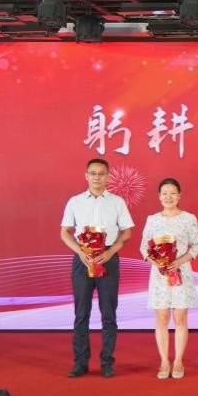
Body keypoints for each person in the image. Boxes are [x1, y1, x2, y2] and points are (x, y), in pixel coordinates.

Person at [59, 158, 134, 378]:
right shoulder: (75, 202)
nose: (97, 177)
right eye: (93, 173)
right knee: (81, 313)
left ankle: (107, 362)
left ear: (108, 176)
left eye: (101, 173)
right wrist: (79, 251)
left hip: (108, 257)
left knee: (108, 313)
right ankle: (80, 362)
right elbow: (65, 232)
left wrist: (110, 252)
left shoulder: (117, 202)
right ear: (86, 176)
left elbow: (127, 231)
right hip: (82, 258)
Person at [139, 178, 198, 380]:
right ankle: (164, 361)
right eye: (164, 193)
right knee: (162, 318)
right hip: (159, 276)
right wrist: (157, 262)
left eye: (173, 193)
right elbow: (144, 247)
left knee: (180, 318)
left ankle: (178, 361)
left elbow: (196, 245)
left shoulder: (189, 218)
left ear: (179, 195)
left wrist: (179, 261)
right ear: (159, 196)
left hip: (181, 273)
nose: (169, 197)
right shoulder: (152, 219)